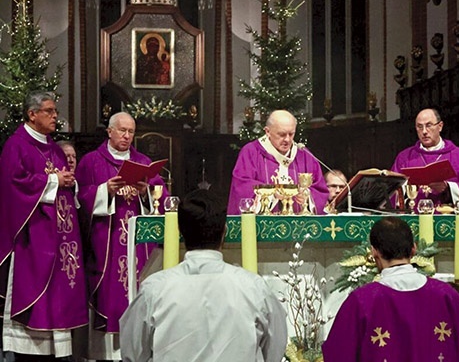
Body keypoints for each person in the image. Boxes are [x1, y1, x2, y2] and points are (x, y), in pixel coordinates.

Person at [120, 189, 288, 362]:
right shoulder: (253, 287)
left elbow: (132, 353)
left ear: (180, 231)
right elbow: (275, 347)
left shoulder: (154, 290)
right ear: (224, 231)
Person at [0, 91, 88, 360]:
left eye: (55, 111)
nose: (55, 117)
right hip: (32, 243)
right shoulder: (16, 146)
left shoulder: (54, 149)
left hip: (60, 243)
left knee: (57, 312)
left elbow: (64, 185)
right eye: (49, 111)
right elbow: (13, 185)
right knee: (33, 315)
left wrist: (69, 184)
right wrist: (53, 182)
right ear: (32, 114)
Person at [76, 111, 168, 361]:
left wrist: (145, 192)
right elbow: (78, 199)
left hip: (138, 243)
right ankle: (105, 355)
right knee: (109, 293)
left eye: (131, 132)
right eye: (122, 130)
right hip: (107, 239)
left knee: (140, 289)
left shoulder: (142, 161)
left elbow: (163, 199)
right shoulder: (91, 162)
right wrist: (104, 190)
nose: (127, 136)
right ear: (109, 131)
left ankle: (139, 352)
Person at [322, 217, 459, 361]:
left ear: (374, 252)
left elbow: (338, 352)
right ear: (414, 248)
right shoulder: (447, 296)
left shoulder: (361, 301)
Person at [227, 110, 329, 214]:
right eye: (282, 134)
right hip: (262, 227)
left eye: (291, 134)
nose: (287, 139)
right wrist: (272, 194)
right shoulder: (251, 152)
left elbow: (319, 189)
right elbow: (242, 187)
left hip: (299, 227)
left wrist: (307, 198)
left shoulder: (304, 155)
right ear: (267, 131)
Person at [390, 108, 459, 213]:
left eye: (429, 125)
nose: (424, 131)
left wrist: (449, 187)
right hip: (413, 221)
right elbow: (391, 190)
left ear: (440, 126)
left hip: (449, 222)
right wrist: (407, 188)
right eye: (419, 127)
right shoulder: (404, 158)